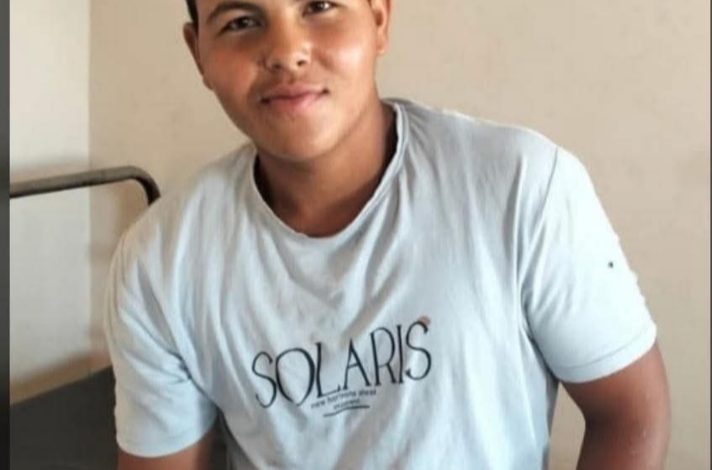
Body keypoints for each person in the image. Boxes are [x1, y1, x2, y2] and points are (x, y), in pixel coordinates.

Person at [103, 0, 671, 468]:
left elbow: (629, 412)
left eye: (319, 6)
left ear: (379, 17)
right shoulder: (159, 262)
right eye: (241, 21)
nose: (286, 51)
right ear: (198, 52)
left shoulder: (520, 187)